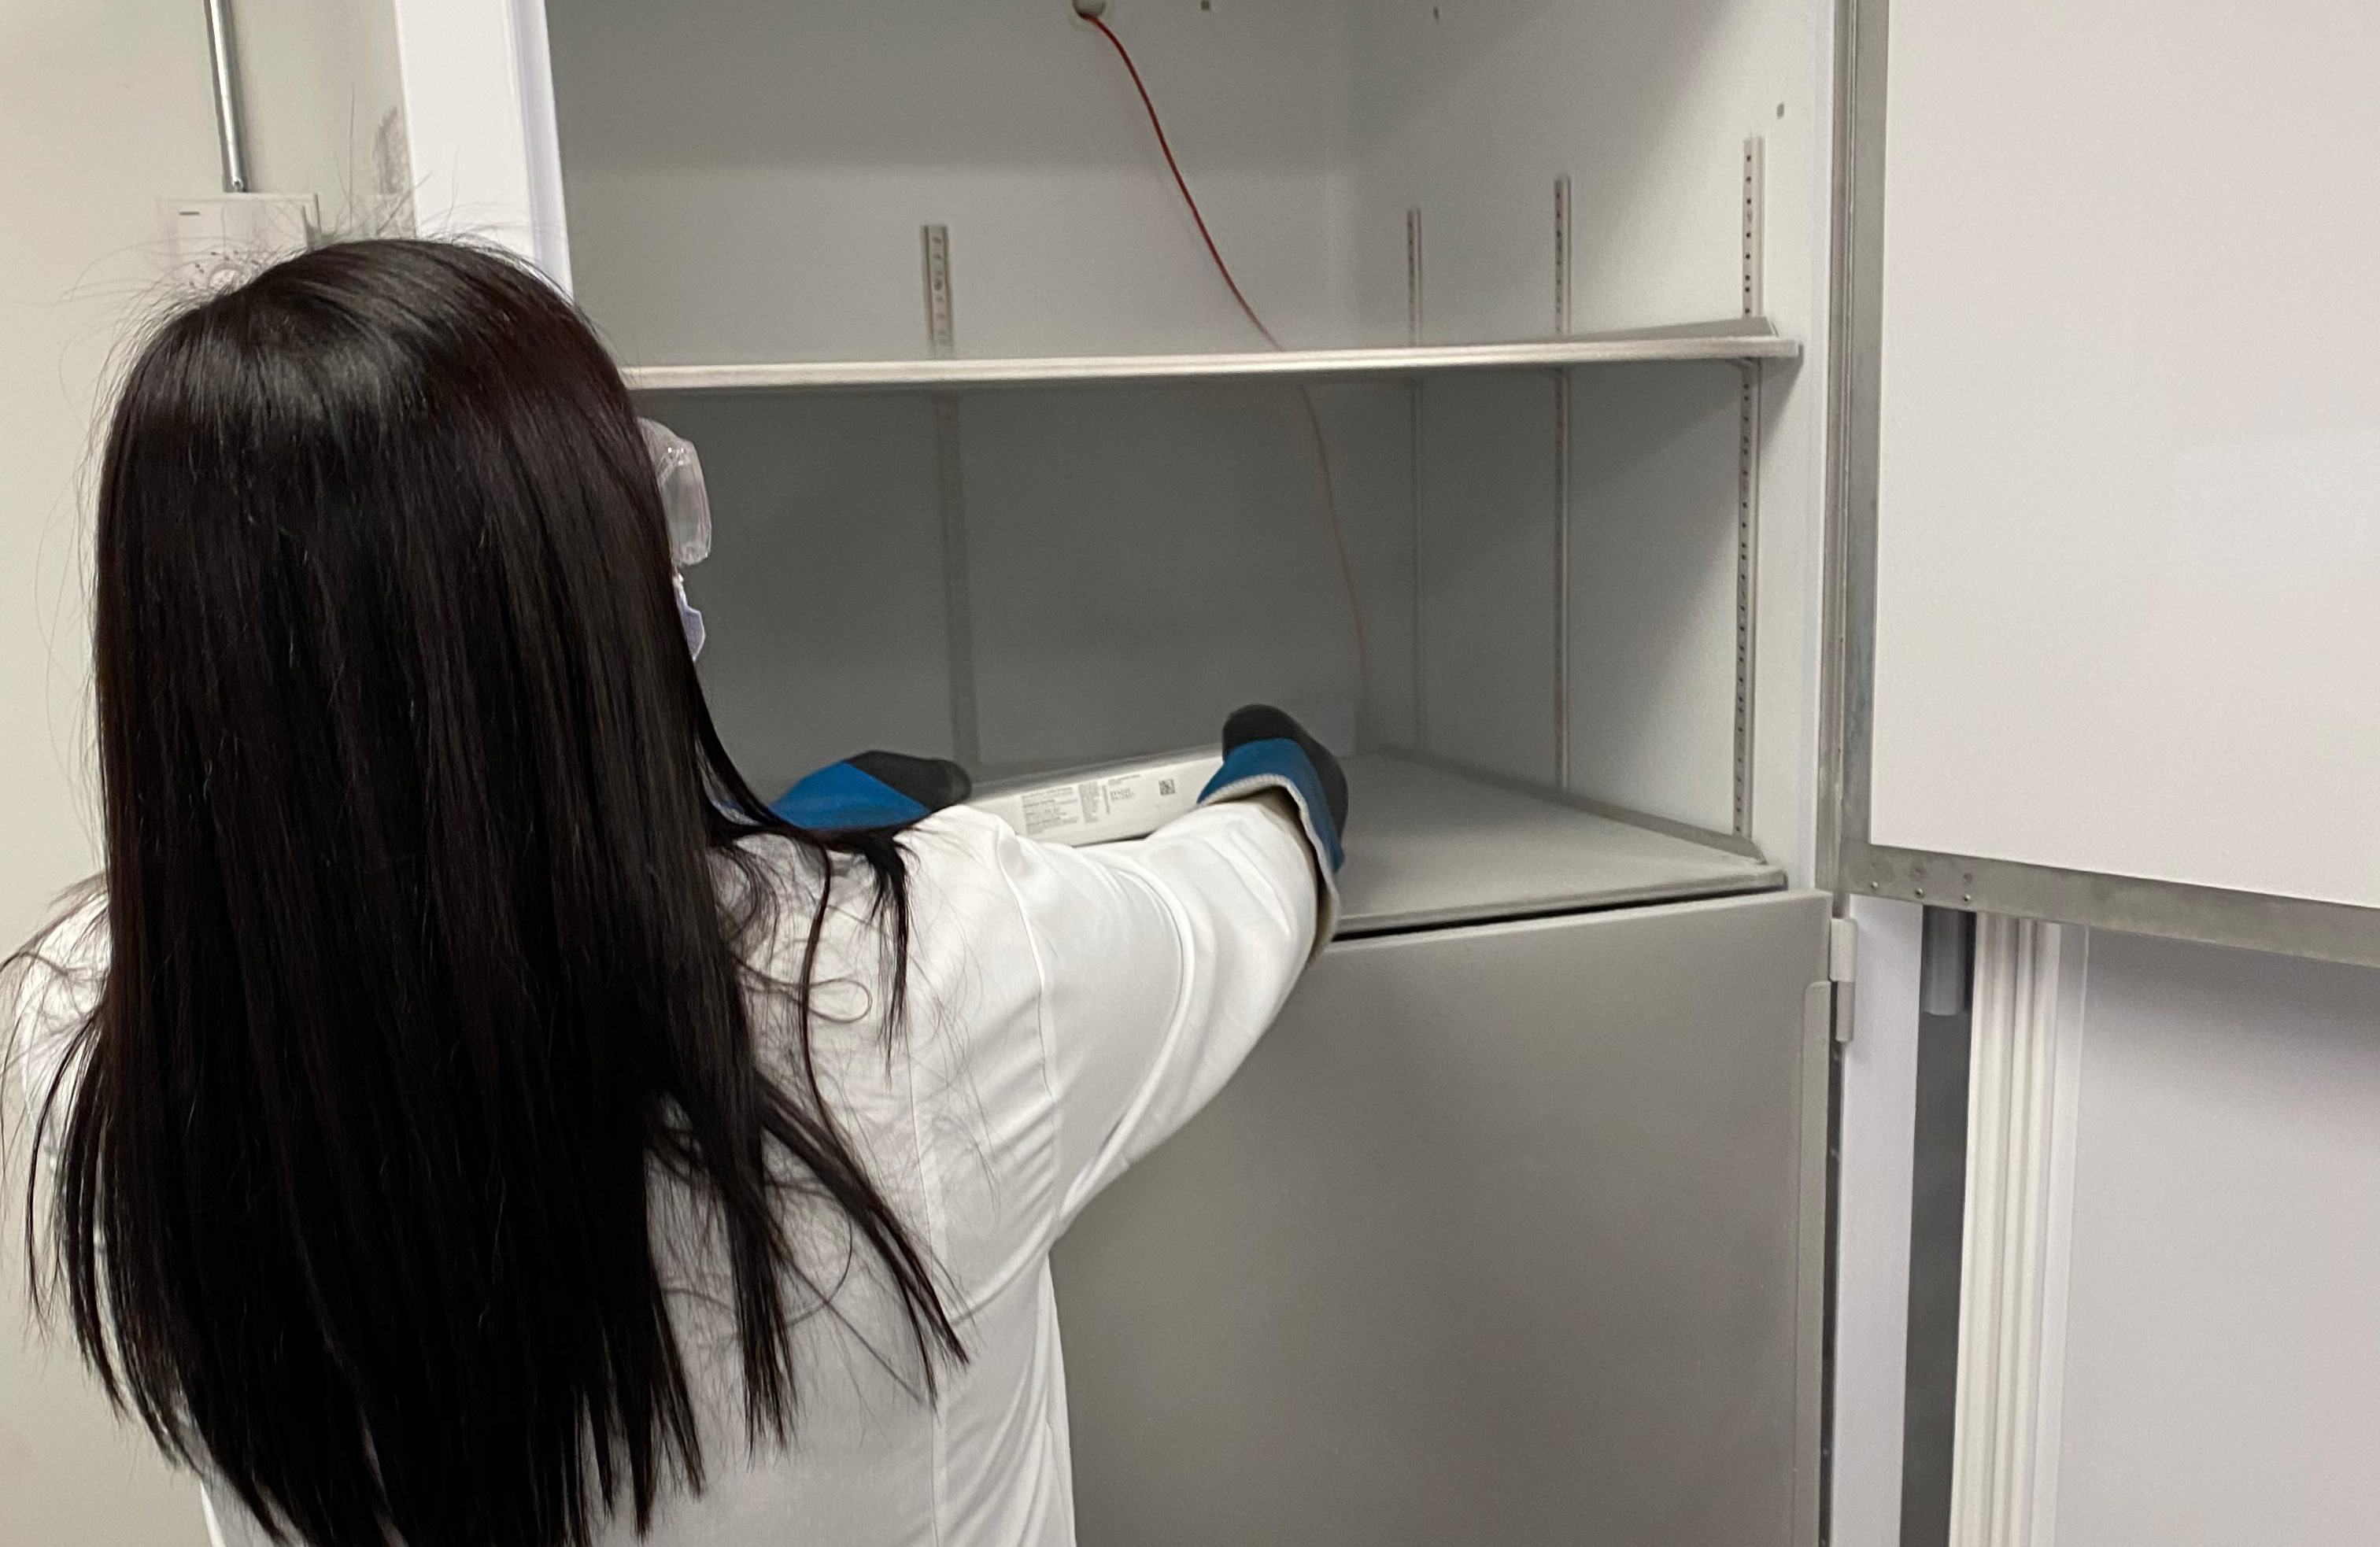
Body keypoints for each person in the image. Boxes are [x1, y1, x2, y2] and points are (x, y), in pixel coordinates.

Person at [4, 238, 1348, 1547]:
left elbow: (381, 895)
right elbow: (1223, 916)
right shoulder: (932, 983)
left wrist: (765, 858)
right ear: (588, 606)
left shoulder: (88, 1043)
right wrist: (1284, 788)